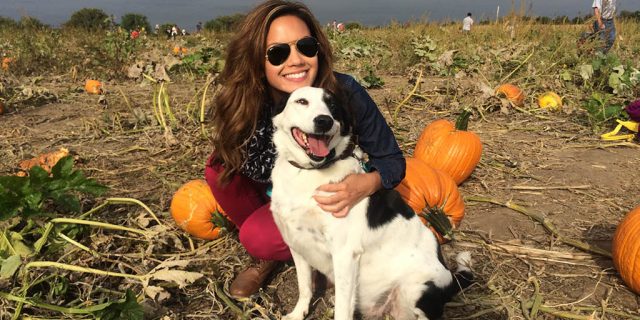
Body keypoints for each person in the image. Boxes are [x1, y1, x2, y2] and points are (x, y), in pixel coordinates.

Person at [205, 0, 405, 299]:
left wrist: (365, 184)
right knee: (219, 167)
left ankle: (316, 251)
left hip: (323, 197)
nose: (296, 60)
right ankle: (274, 254)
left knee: (258, 237)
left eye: (306, 46)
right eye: (278, 52)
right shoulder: (246, 99)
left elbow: (392, 160)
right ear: (257, 60)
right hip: (279, 189)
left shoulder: (344, 92)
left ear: (318, 49)